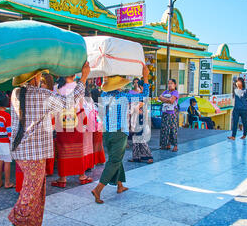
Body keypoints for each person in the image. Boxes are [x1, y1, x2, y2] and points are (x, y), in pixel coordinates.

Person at [8, 63, 89, 226]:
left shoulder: (15, 94)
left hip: (20, 149)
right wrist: (83, 79)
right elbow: (69, 103)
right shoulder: (41, 95)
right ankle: (20, 220)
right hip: (34, 152)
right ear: (34, 78)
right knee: (32, 189)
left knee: (37, 189)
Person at [91, 66, 151, 204]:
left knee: (116, 158)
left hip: (107, 133)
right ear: (119, 86)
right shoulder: (124, 96)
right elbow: (144, 96)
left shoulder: (104, 96)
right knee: (114, 161)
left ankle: (120, 185)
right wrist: (146, 77)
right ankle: (98, 189)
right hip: (119, 133)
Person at [51, 76, 93, 188]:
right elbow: (81, 105)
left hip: (61, 121)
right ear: (73, 75)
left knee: (63, 149)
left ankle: (62, 178)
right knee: (78, 149)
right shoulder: (78, 87)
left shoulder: (56, 88)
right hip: (76, 120)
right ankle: (82, 176)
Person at [0, 92, 15, 189]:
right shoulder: (6, 116)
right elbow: (9, 132)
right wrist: (13, 142)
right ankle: (7, 183)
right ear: (7, 103)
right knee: (7, 162)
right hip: (5, 142)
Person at [159, 79, 180, 152]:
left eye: (171, 83)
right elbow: (159, 97)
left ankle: (175, 145)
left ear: (175, 85)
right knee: (164, 129)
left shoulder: (175, 92)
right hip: (165, 112)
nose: (170, 85)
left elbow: (171, 101)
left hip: (172, 113)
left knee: (172, 129)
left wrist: (163, 99)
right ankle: (165, 144)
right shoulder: (166, 92)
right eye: (168, 83)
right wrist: (166, 99)